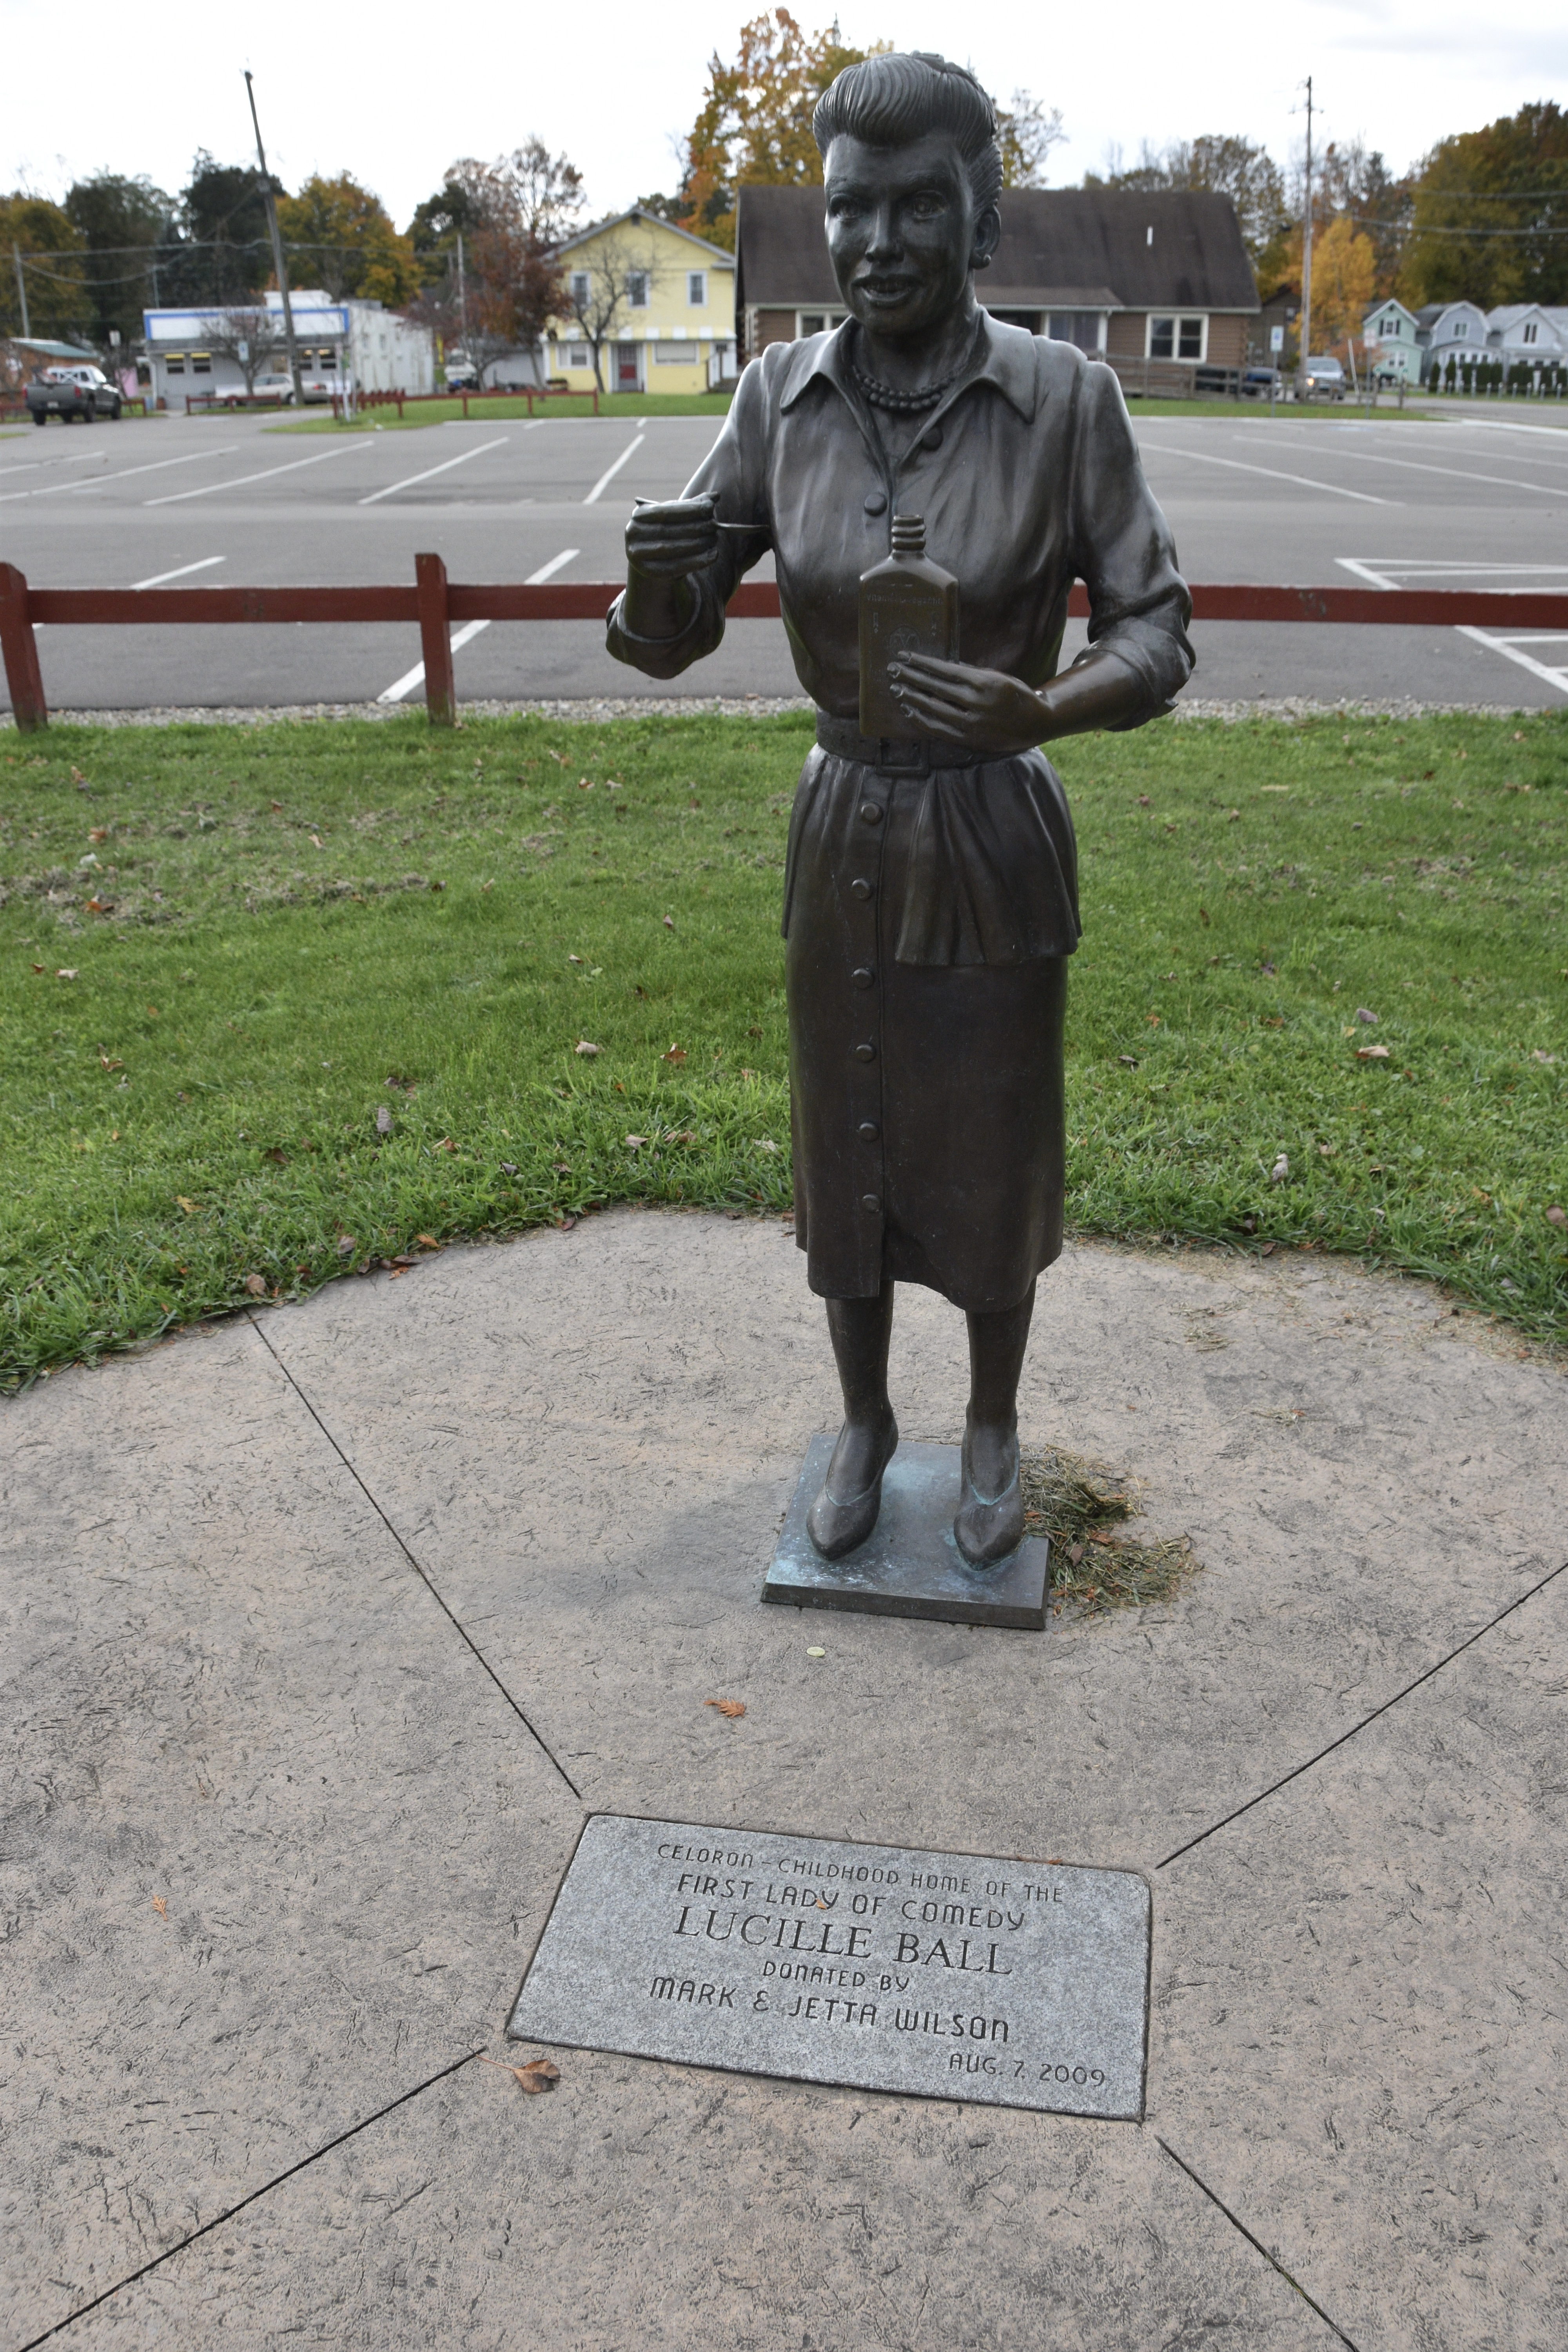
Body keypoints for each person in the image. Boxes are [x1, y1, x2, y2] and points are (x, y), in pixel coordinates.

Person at [610, 51, 1193, 1570]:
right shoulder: (775, 399)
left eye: (915, 209)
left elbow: (1155, 630)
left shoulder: (1066, 400)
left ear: (979, 216)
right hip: (844, 830)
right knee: (845, 1128)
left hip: (992, 828)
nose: (876, 245)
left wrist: (1044, 706)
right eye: (850, 210)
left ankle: (990, 1421)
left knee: (990, 1139)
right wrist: (653, 579)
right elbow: (665, 641)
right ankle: (863, 1419)